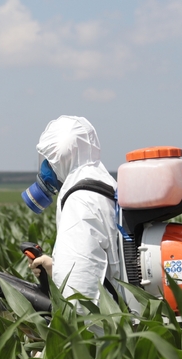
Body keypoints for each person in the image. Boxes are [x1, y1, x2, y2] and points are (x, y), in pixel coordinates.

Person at [24, 116, 121, 302]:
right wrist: (56, 269)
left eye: (49, 159)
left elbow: (78, 298)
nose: (45, 167)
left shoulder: (80, 201)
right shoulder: (103, 184)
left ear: (61, 157)